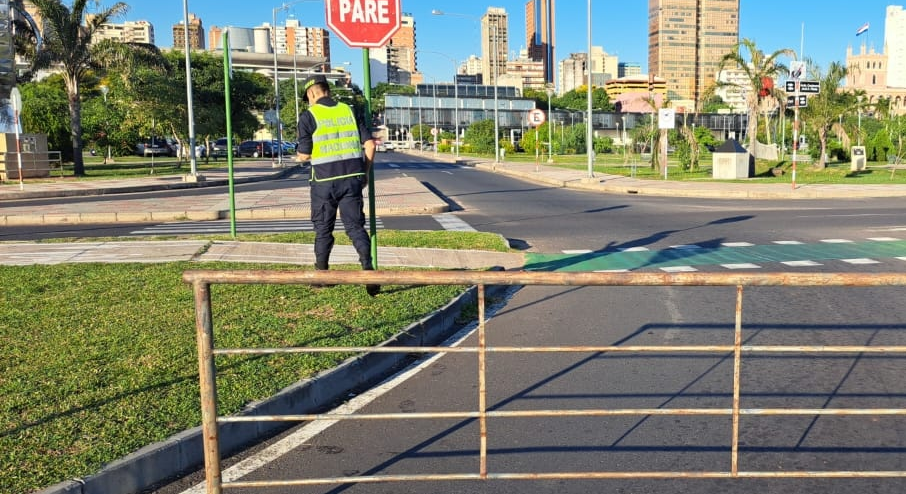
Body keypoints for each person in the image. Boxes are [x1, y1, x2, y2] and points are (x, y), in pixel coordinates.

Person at [295, 74, 379, 296]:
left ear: (311, 93)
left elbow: (304, 155)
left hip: (324, 183)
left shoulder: (308, 116)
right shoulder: (349, 110)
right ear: (327, 90)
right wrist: (365, 173)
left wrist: (299, 157)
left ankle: (321, 275)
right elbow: (370, 145)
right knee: (354, 227)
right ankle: (368, 270)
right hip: (353, 179)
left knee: (323, 229)